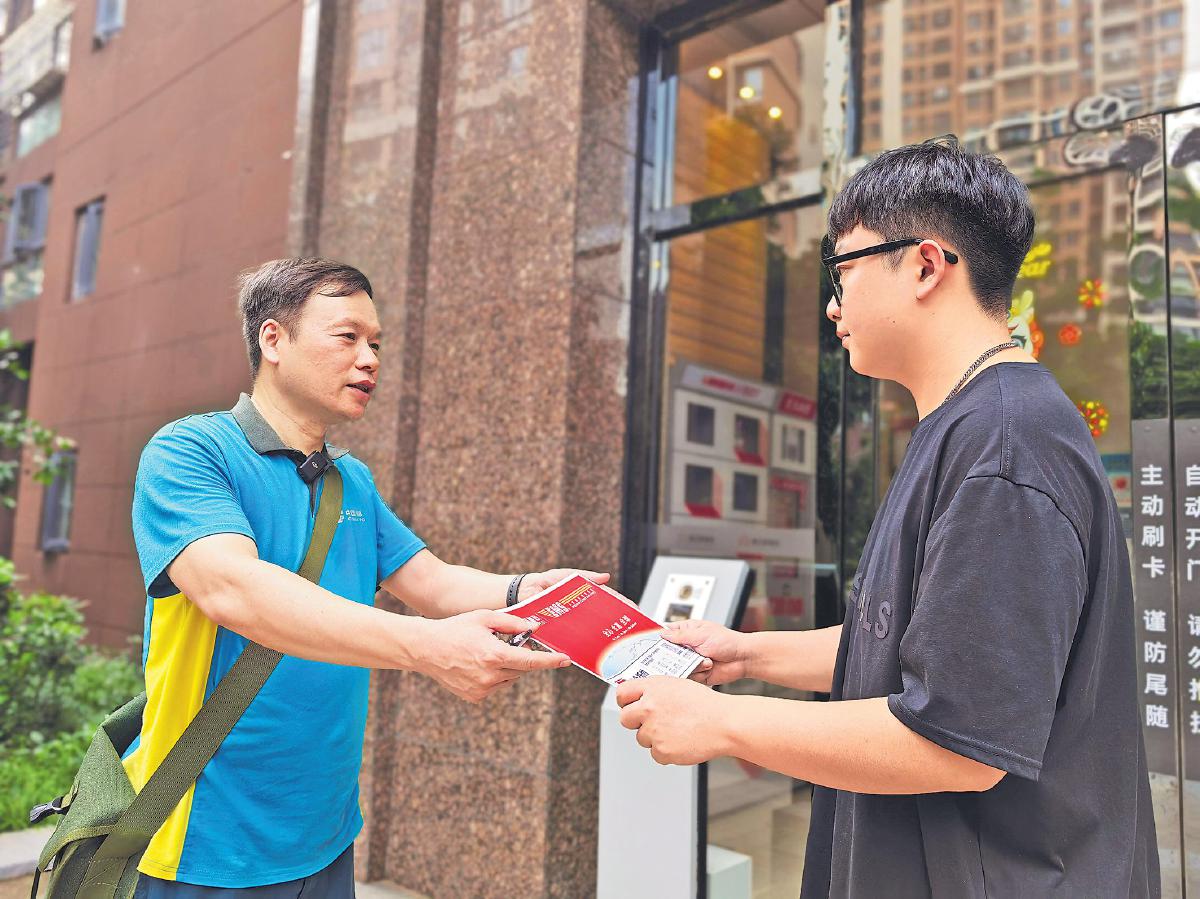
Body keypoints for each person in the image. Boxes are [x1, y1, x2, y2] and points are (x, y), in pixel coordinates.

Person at [617, 139, 1159, 897]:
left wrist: (722, 723)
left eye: (842, 269)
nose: (832, 305)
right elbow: (918, 643)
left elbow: (959, 743)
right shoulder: (972, 426)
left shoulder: (1007, 447)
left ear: (927, 265)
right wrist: (746, 653)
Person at [127, 258, 601, 897]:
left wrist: (530, 590)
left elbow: (433, 583)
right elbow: (233, 590)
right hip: (204, 839)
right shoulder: (190, 451)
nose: (370, 359)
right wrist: (427, 648)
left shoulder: (350, 480)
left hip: (327, 834)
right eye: (347, 337)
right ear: (274, 340)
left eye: (376, 343)